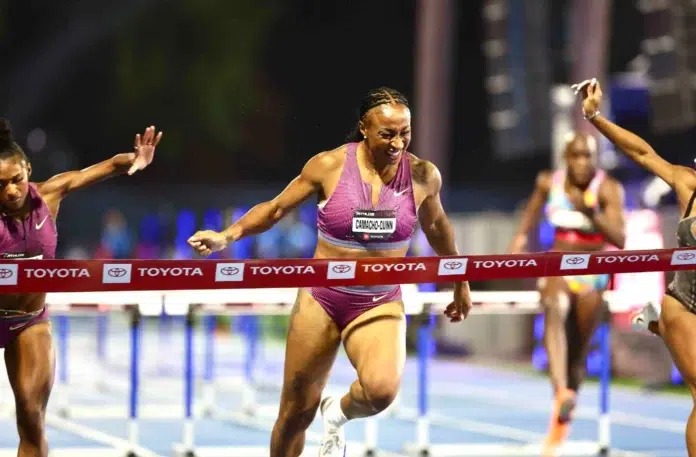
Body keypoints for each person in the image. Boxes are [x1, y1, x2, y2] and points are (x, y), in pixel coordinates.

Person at [188, 87, 471, 457]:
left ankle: (336, 413)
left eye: (405, 132)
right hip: (322, 299)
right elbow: (274, 210)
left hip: (379, 300)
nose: (397, 143)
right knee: (295, 413)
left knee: (381, 392)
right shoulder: (328, 165)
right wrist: (226, 236)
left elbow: (437, 228)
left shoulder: (422, 176)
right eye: (387, 134)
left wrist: (460, 280)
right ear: (364, 129)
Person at [0, 119, 161, 457]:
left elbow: (103, 168)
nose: (11, 191)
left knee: (31, 415)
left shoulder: (50, 194)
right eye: (0, 185)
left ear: (28, 169)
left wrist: (135, 160)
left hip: (27, 322)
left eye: (17, 179)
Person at [574, 77, 696, 456]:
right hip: (687, 304)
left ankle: (654, 322)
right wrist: (595, 118)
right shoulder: (688, 185)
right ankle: (661, 321)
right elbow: (643, 154)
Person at [509, 123, 626, 455]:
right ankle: (561, 391)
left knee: (577, 357)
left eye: (587, 155)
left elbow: (620, 239)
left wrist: (592, 214)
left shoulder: (607, 189)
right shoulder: (549, 182)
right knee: (555, 307)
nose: (581, 161)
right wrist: (516, 246)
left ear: (595, 157)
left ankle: (558, 426)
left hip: (592, 274)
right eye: (575, 155)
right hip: (558, 267)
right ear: (565, 157)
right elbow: (528, 220)